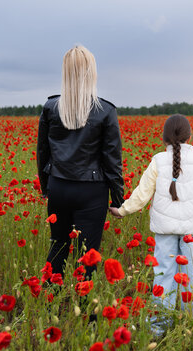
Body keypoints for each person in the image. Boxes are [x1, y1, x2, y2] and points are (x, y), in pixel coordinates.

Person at [109, 114, 193, 336]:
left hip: (165, 231)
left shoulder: (158, 161)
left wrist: (122, 210)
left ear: (165, 138)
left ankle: (158, 329)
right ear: (190, 137)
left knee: (163, 278)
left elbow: (142, 193)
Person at [37, 45, 124, 282]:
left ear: (66, 73)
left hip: (59, 186)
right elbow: (112, 161)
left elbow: (42, 153)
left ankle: (49, 304)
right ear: (91, 72)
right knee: (87, 256)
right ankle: (89, 314)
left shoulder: (50, 108)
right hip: (91, 191)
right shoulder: (105, 111)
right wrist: (118, 200)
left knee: (58, 249)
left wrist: (46, 188)